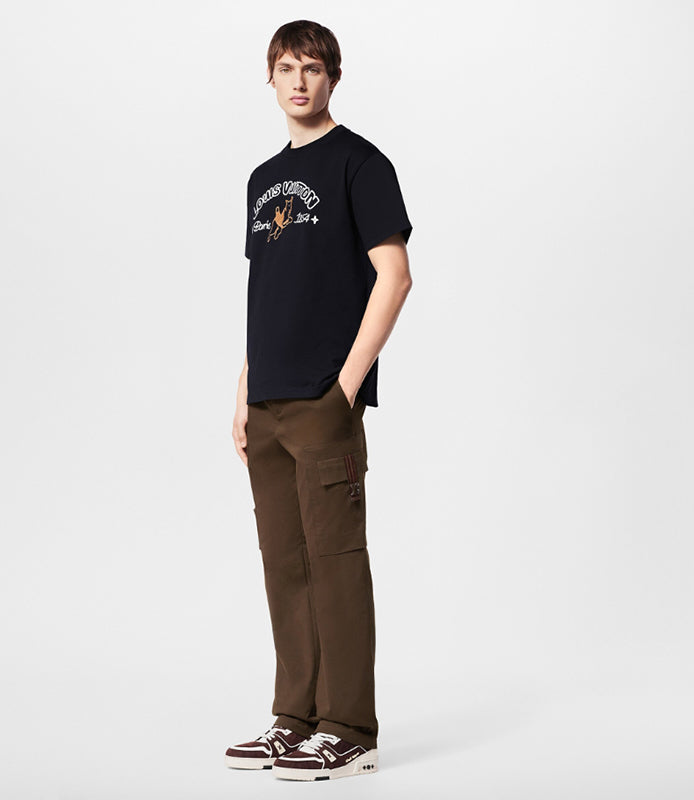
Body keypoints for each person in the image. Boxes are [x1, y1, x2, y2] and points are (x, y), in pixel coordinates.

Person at [226, 19, 414, 782]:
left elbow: (395, 276)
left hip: (323, 400)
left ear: (333, 77)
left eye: (312, 68)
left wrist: (345, 387)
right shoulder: (261, 179)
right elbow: (266, 290)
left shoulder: (361, 164)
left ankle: (349, 729)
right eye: (286, 68)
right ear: (269, 78)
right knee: (285, 566)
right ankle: (294, 720)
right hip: (268, 402)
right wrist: (244, 389)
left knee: (334, 564)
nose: (299, 81)